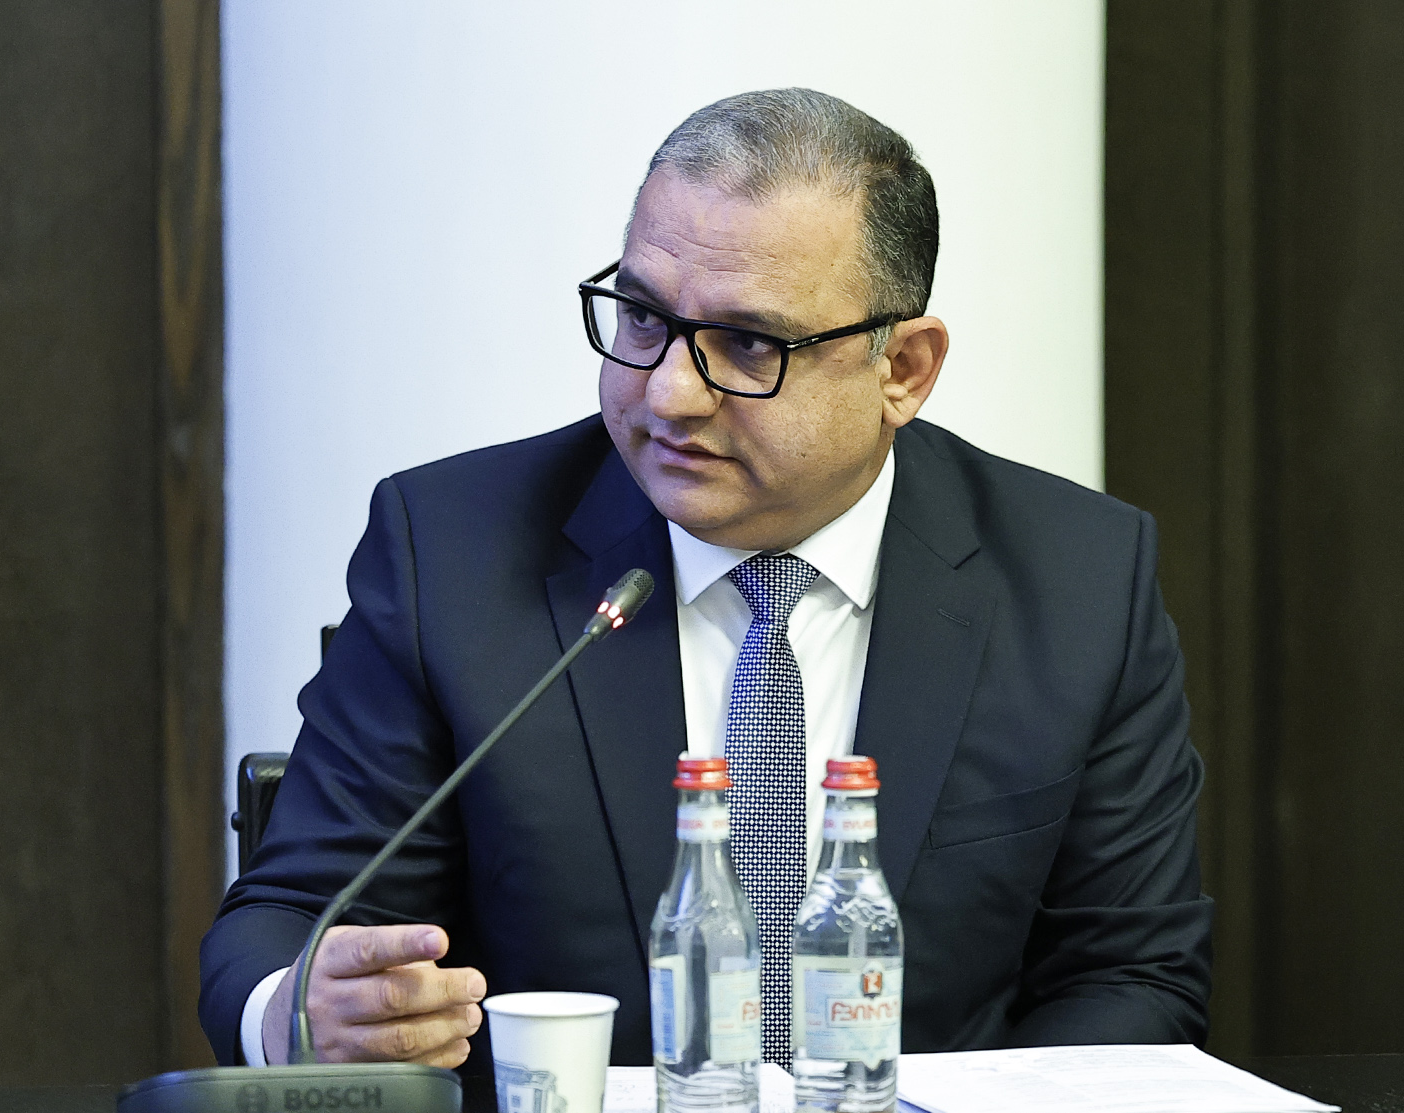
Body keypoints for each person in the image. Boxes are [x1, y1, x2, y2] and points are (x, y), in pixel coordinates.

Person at [199, 89, 1213, 1075]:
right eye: (643, 318)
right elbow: (293, 916)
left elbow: (1132, 974)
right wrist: (299, 1012)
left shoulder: (1079, 579)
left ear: (901, 368)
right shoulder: (453, 552)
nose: (670, 393)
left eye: (748, 343)